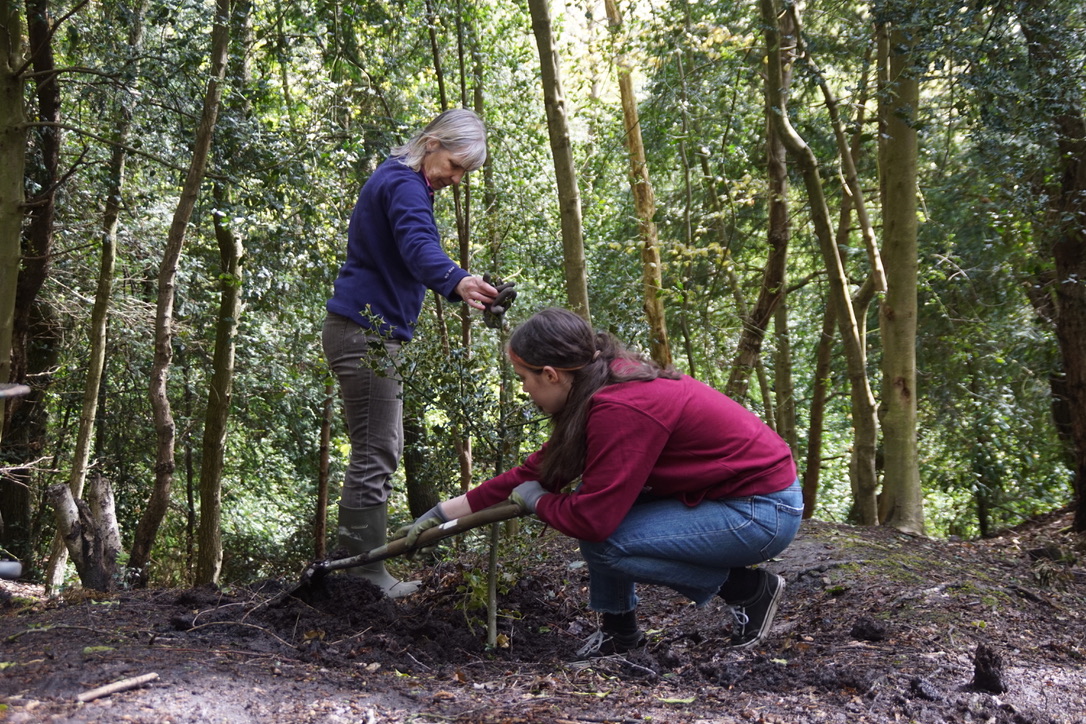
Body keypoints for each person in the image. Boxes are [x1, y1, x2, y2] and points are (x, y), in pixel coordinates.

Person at [396, 307, 803, 655]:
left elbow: (593, 521)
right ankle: (619, 634)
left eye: (523, 378)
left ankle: (747, 588)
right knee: (601, 514)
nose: (524, 390)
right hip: (729, 499)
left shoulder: (622, 406)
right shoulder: (600, 382)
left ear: (552, 374)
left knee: (603, 536)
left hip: (760, 511)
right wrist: (441, 513)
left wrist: (539, 502)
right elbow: (538, 471)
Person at [323, 108, 508, 598]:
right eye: (454, 164)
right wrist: (456, 279)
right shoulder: (405, 185)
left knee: (378, 448)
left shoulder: (396, 179)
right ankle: (362, 577)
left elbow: (413, 245)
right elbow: (418, 244)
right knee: (375, 451)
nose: (456, 178)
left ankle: (358, 574)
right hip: (366, 334)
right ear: (431, 143)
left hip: (364, 331)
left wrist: (459, 280)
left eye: (465, 171)